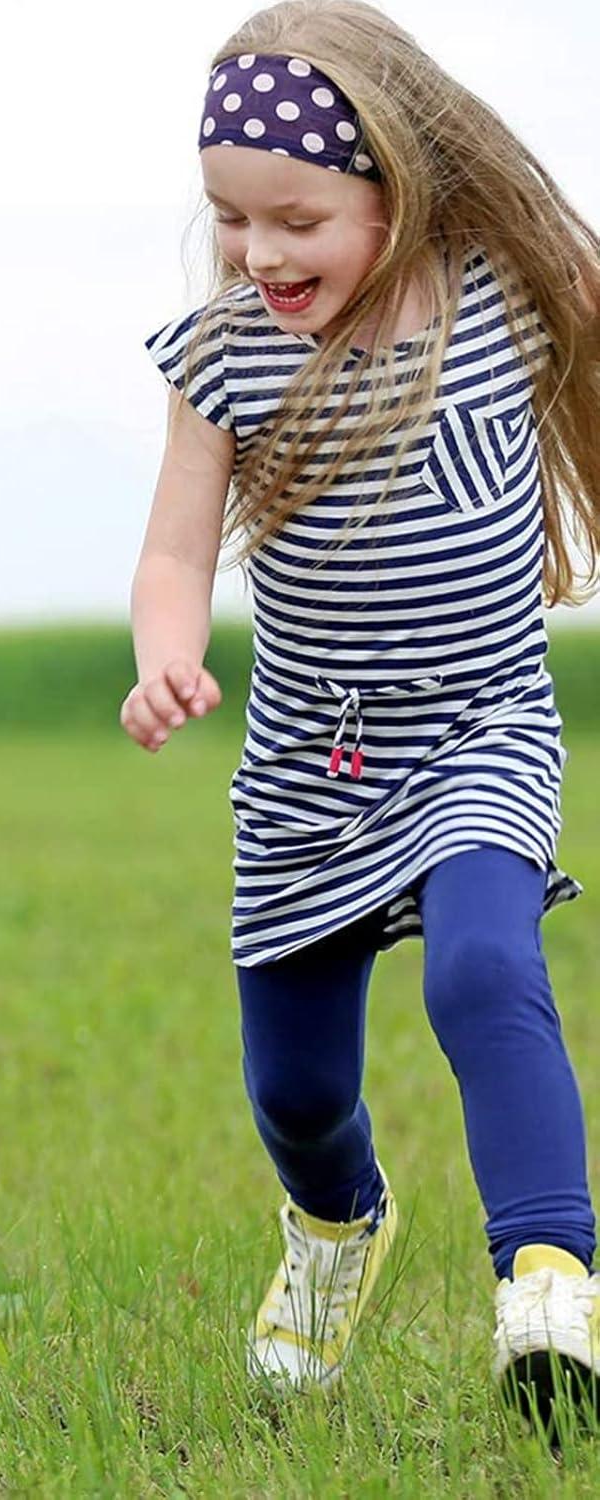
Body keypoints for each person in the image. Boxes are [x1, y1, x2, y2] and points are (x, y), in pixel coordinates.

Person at [125, 0, 600, 1420]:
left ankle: (550, 1286)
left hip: (479, 731)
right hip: (308, 772)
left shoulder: (509, 299)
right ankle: (337, 1229)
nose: (261, 253)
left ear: (399, 185)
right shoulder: (225, 356)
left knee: (479, 971)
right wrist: (165, 651)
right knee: (297, 1093)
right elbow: (174, 543)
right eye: (230, 219)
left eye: (298, 218)